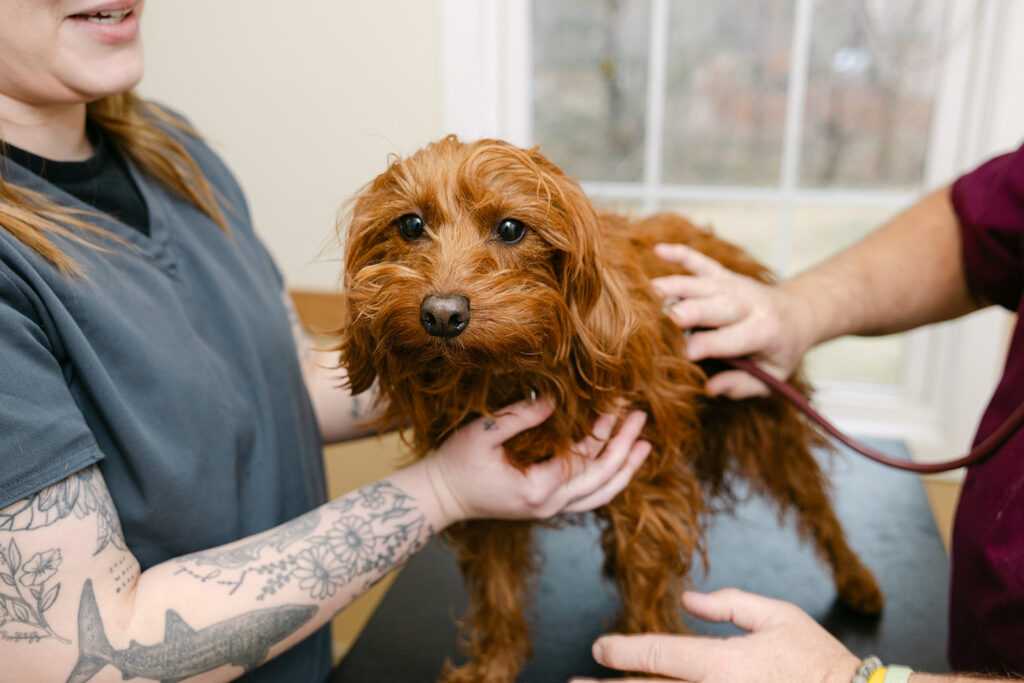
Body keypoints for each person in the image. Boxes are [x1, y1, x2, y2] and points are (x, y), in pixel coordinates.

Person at [0, 3, 654, 682]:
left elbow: (281, 390)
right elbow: (79, 659)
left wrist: (560, 348)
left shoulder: (172, 153)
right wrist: (442, 491)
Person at [571, 140, 1024, 682]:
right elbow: (983, 223)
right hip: (982, 629)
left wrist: (850, 681)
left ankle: (838, 551)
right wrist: (797, 308)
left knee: (785, 463)